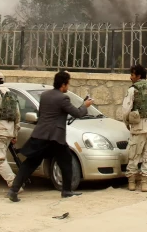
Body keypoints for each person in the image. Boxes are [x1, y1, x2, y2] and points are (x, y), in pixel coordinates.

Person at [7, 71, 92, 202]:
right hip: (55, 137)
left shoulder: (45, 95)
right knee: (66, 161)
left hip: (40, 134)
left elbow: (43, 114)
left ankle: (13, 190)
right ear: (63, 84)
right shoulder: (63, 98)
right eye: (68, 84)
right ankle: (66, 191)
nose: (68, 87)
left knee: (30, 162)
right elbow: (77, 113)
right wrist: (85, 105)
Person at [122, 63, 147, 192]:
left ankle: (132, 182)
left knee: (134, 154)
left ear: (138, 76)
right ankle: (145, 183)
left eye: (132, 75)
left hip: (138, 126)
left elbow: (125, 110)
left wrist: (127, 123)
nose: (130, 77)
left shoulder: (133, 89)